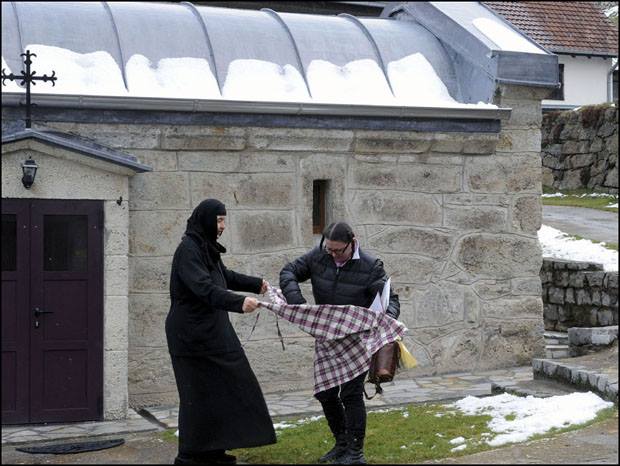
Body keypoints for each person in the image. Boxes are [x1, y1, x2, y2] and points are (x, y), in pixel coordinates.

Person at [165, 199, 276, 465]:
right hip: (191, 337)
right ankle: (191, 456)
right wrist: (238, 303)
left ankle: (214, 451)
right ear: (205, 220)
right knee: (197, 397)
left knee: (225, 389)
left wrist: (256, 284)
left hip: (212, 333)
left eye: (224, 220)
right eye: (219, 220)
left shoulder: (205, 247)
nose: (223, 226)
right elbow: (203, 287)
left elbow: (223, 276)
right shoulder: (188, 250)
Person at [279, 222, 400, 465]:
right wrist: (296, 301)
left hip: (357, 340)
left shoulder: (371, 267)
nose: (333, 255)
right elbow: (288, 272)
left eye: (338, 250)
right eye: (329, 249)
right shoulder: (318, 256)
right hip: (327, 338)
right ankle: (341, 443)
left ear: (352, 243)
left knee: (351, 394)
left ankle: (355, 452)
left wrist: (387, 318)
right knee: (325, 393)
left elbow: (392, 300)